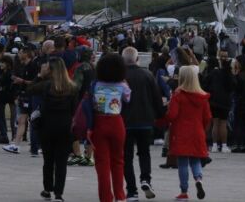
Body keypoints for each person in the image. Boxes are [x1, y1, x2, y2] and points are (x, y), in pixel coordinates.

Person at [29, 57, 78, 202]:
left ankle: (47, 188)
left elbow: (30, 89)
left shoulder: (46, 85)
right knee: (61, 162)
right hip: (65, 126)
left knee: (48, 160)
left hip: (47, 126)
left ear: (50, 70)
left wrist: (39, 75)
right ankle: (59, 193)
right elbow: (74, 110)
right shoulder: (72, 87)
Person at [85, 52, 131, 202]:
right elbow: (128, 99)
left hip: (99, 123)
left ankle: (106, 198)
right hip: (117, 122)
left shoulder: (95, 85)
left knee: (102, 163)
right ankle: (120, 196)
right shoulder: (122, 86)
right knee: (118, 160)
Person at [121, 47, 164, 201]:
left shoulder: (120, 76)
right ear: (137, 59)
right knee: (144, 153)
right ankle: (146, 179)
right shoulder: (148, 74)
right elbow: (156, 98)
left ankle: (131, 191)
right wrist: (159, 116)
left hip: (125, 122)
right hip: (145, 121)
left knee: (126, 157)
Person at [162, 65, 210, 200]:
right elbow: (207, 117)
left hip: (181, 133)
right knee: (195, 160)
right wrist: (202, 128)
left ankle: (184, 191)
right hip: (197, 132)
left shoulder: (178, 95)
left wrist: (163, 117)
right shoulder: (202, 97)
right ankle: (199, 179)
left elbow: (172, 115)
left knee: (182, 162)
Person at [203, 50, 233, 153]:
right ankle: (224, 145)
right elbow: (233, 86)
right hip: (225, 101)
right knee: (223, 123)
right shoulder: (229, 72)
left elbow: (205, 85)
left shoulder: (214, 72)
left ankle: (214, 145)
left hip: (214, 101)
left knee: (215, 123)